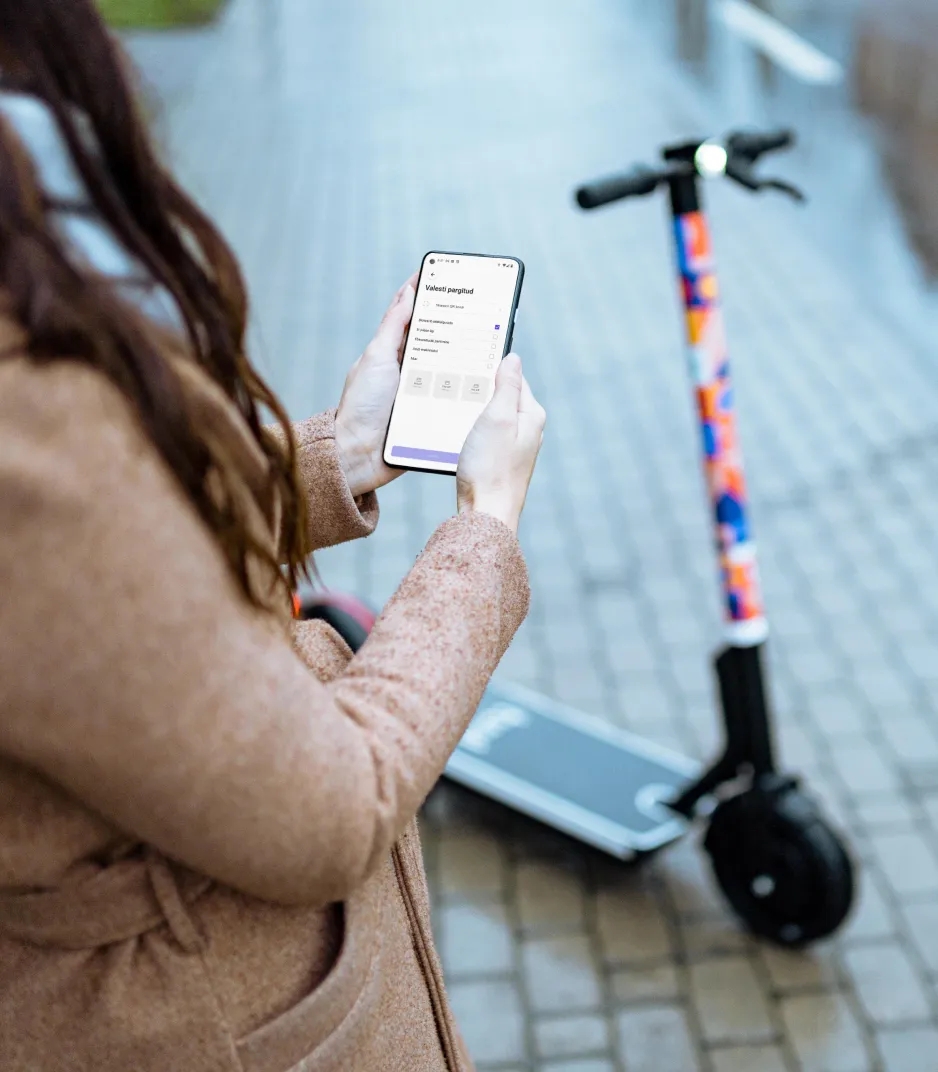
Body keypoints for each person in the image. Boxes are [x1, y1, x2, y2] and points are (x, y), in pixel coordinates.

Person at [0, 3, 545, 1070]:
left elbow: (112, 567)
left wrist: (339, 454)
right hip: (198, 1012)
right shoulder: (29, 426)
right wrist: (483, 533)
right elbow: (335, 807)